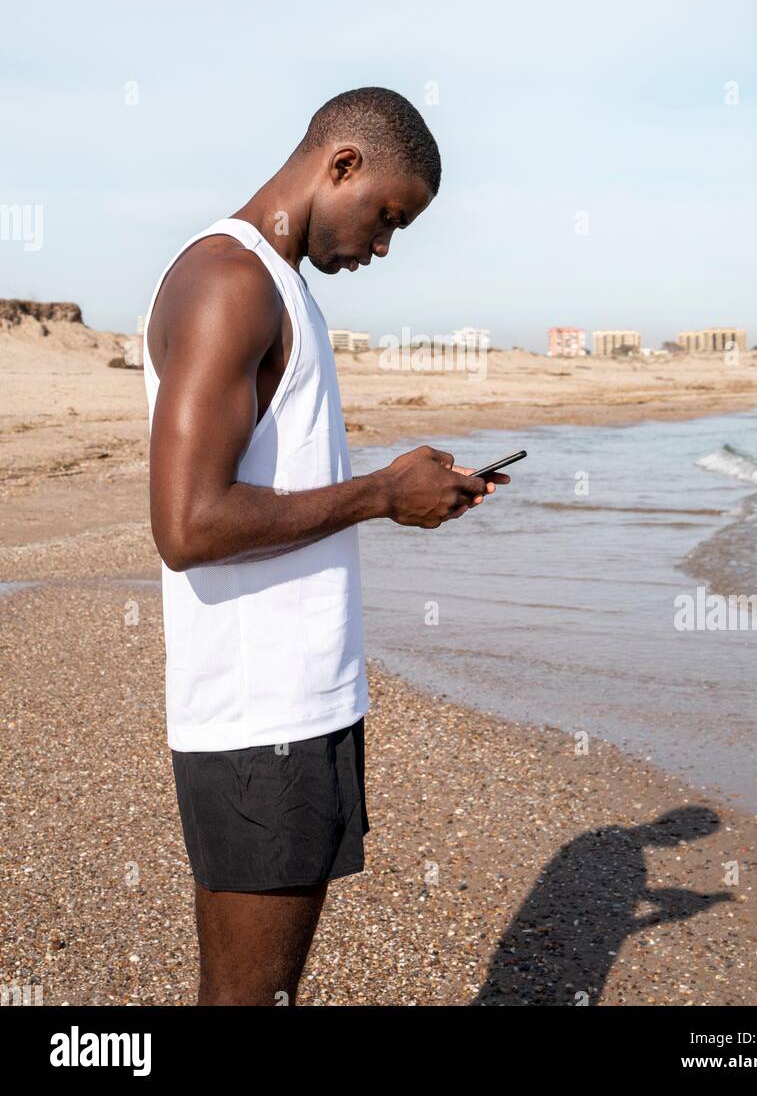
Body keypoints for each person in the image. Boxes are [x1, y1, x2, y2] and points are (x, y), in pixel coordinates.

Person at [143, 87, 508, 1005]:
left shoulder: (276, 285)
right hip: (258, 716)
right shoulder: (232, 281)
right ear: (340, 163)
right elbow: (188, 524)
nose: (382, 248)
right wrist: (383, 492)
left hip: (299, 701)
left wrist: (398, 493)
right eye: (386, 217)